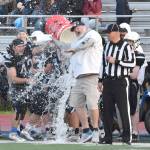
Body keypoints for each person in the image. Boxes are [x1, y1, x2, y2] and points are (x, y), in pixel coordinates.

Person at [98, 24, 135, 145]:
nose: (107, 35)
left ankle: (126, 138)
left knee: (124, 110)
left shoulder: (126, 46)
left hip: (120, 81)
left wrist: (117, 61)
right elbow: (103, 64)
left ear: (115, 32)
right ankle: (108, 137)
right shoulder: (107, 46)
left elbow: (131, 64)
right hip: (108, 81)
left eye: (109, 32)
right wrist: (100, 80)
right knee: (106, 111)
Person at [68, 22, 103, 143]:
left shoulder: (93, 34)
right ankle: (86, 130)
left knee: (92, 105)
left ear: (85, 27)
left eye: (79, 26)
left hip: (91, 75)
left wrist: (74, 48)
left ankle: (96, 130)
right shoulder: (74, 41)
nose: (77, 29)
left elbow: (87, 42)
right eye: (74, 28)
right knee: (77, 104)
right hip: (78, 77)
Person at [124, 31, 145, 140]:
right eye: (127, 41)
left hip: (133, 84)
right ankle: (126, 130)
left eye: (131, 42)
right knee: (123, 108)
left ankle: (135, 131)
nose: (129, 44)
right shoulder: (124, 53)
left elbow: (133, 75)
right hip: (123, 83)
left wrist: (121, 71)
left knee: (134, 108)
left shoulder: (139, 54)